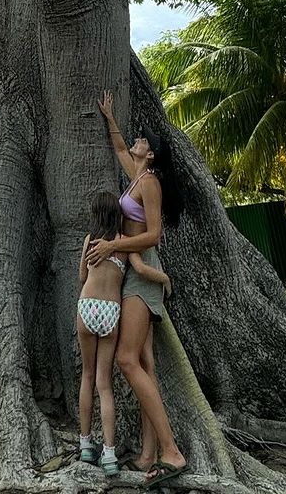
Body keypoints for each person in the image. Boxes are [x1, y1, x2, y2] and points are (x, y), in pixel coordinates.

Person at [87, 90, 188, 489]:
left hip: (143, 277)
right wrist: (110, 117)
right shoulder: (138, 177)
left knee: (127, 360)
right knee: (144, 365)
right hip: (133, 274)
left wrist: (113, 245)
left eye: (143, 140)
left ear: (151, 154)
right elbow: (118, 148)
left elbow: (154, 233)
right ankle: (149, 454)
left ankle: (172, 451)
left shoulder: (150, 185)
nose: (137, 141)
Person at [77, 190, 173, 476]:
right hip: (110, 312)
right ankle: (108, 453)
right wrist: (165, 279)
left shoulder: (89, 241)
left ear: (95, 215)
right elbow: (142, 269)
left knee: (88, 375)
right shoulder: (123, 244)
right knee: (105, 383)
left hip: (87, 306)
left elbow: (82, 276)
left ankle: (85, 444)